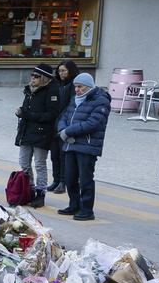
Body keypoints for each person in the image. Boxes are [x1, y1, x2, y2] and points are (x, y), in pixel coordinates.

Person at [56, 73, 110, 221]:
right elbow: (65, 117)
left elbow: (94, 123)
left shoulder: (101, 100)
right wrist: (62, 131)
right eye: (75, 86)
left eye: (80, 87)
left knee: (85, 178)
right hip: (70, 143)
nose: (77, 90)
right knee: (70, 177)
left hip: (87, 145)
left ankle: (87, 209)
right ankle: (74, 205)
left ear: (89, 87)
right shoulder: (75, 100)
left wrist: (69, 131)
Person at [15, 63, 60, 208]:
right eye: (32, 75)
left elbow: (51, 114)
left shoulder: (51, 91)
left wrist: (28, 115)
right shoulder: (29, 90)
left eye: (36, 76)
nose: (33, 78)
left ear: (44, 78)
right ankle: (30, 189)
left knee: (40, 164)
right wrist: (21, 113)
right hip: (27, 131)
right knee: (24, 163)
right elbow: (27, 110)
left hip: (42, 133)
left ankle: (41, 192)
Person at [47, 60, 80, 193]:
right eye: (59, 71)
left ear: (70, 71)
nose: (61, 73)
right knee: (54, 155)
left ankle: (63, 181)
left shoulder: (73, 85)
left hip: (64, 124)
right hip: (53, 123)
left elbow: (71, 105)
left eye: (64, 71)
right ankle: (56, 179)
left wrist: (61, 119)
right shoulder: (56, 84)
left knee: (63, 155)